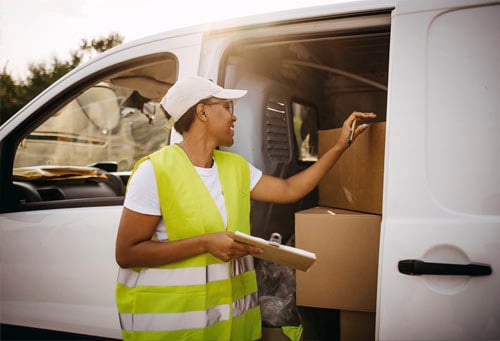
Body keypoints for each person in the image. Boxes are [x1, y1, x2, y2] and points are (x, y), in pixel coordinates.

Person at [115, 76, 375, 340]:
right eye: (227, 107)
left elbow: (289, 189)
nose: (233, 117)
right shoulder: (155, 171)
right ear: (202, 112)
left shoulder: (235, 167)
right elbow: (127, 253)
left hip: (226, 331)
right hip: (173, 330)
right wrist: (205, 243)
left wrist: (341, 146)